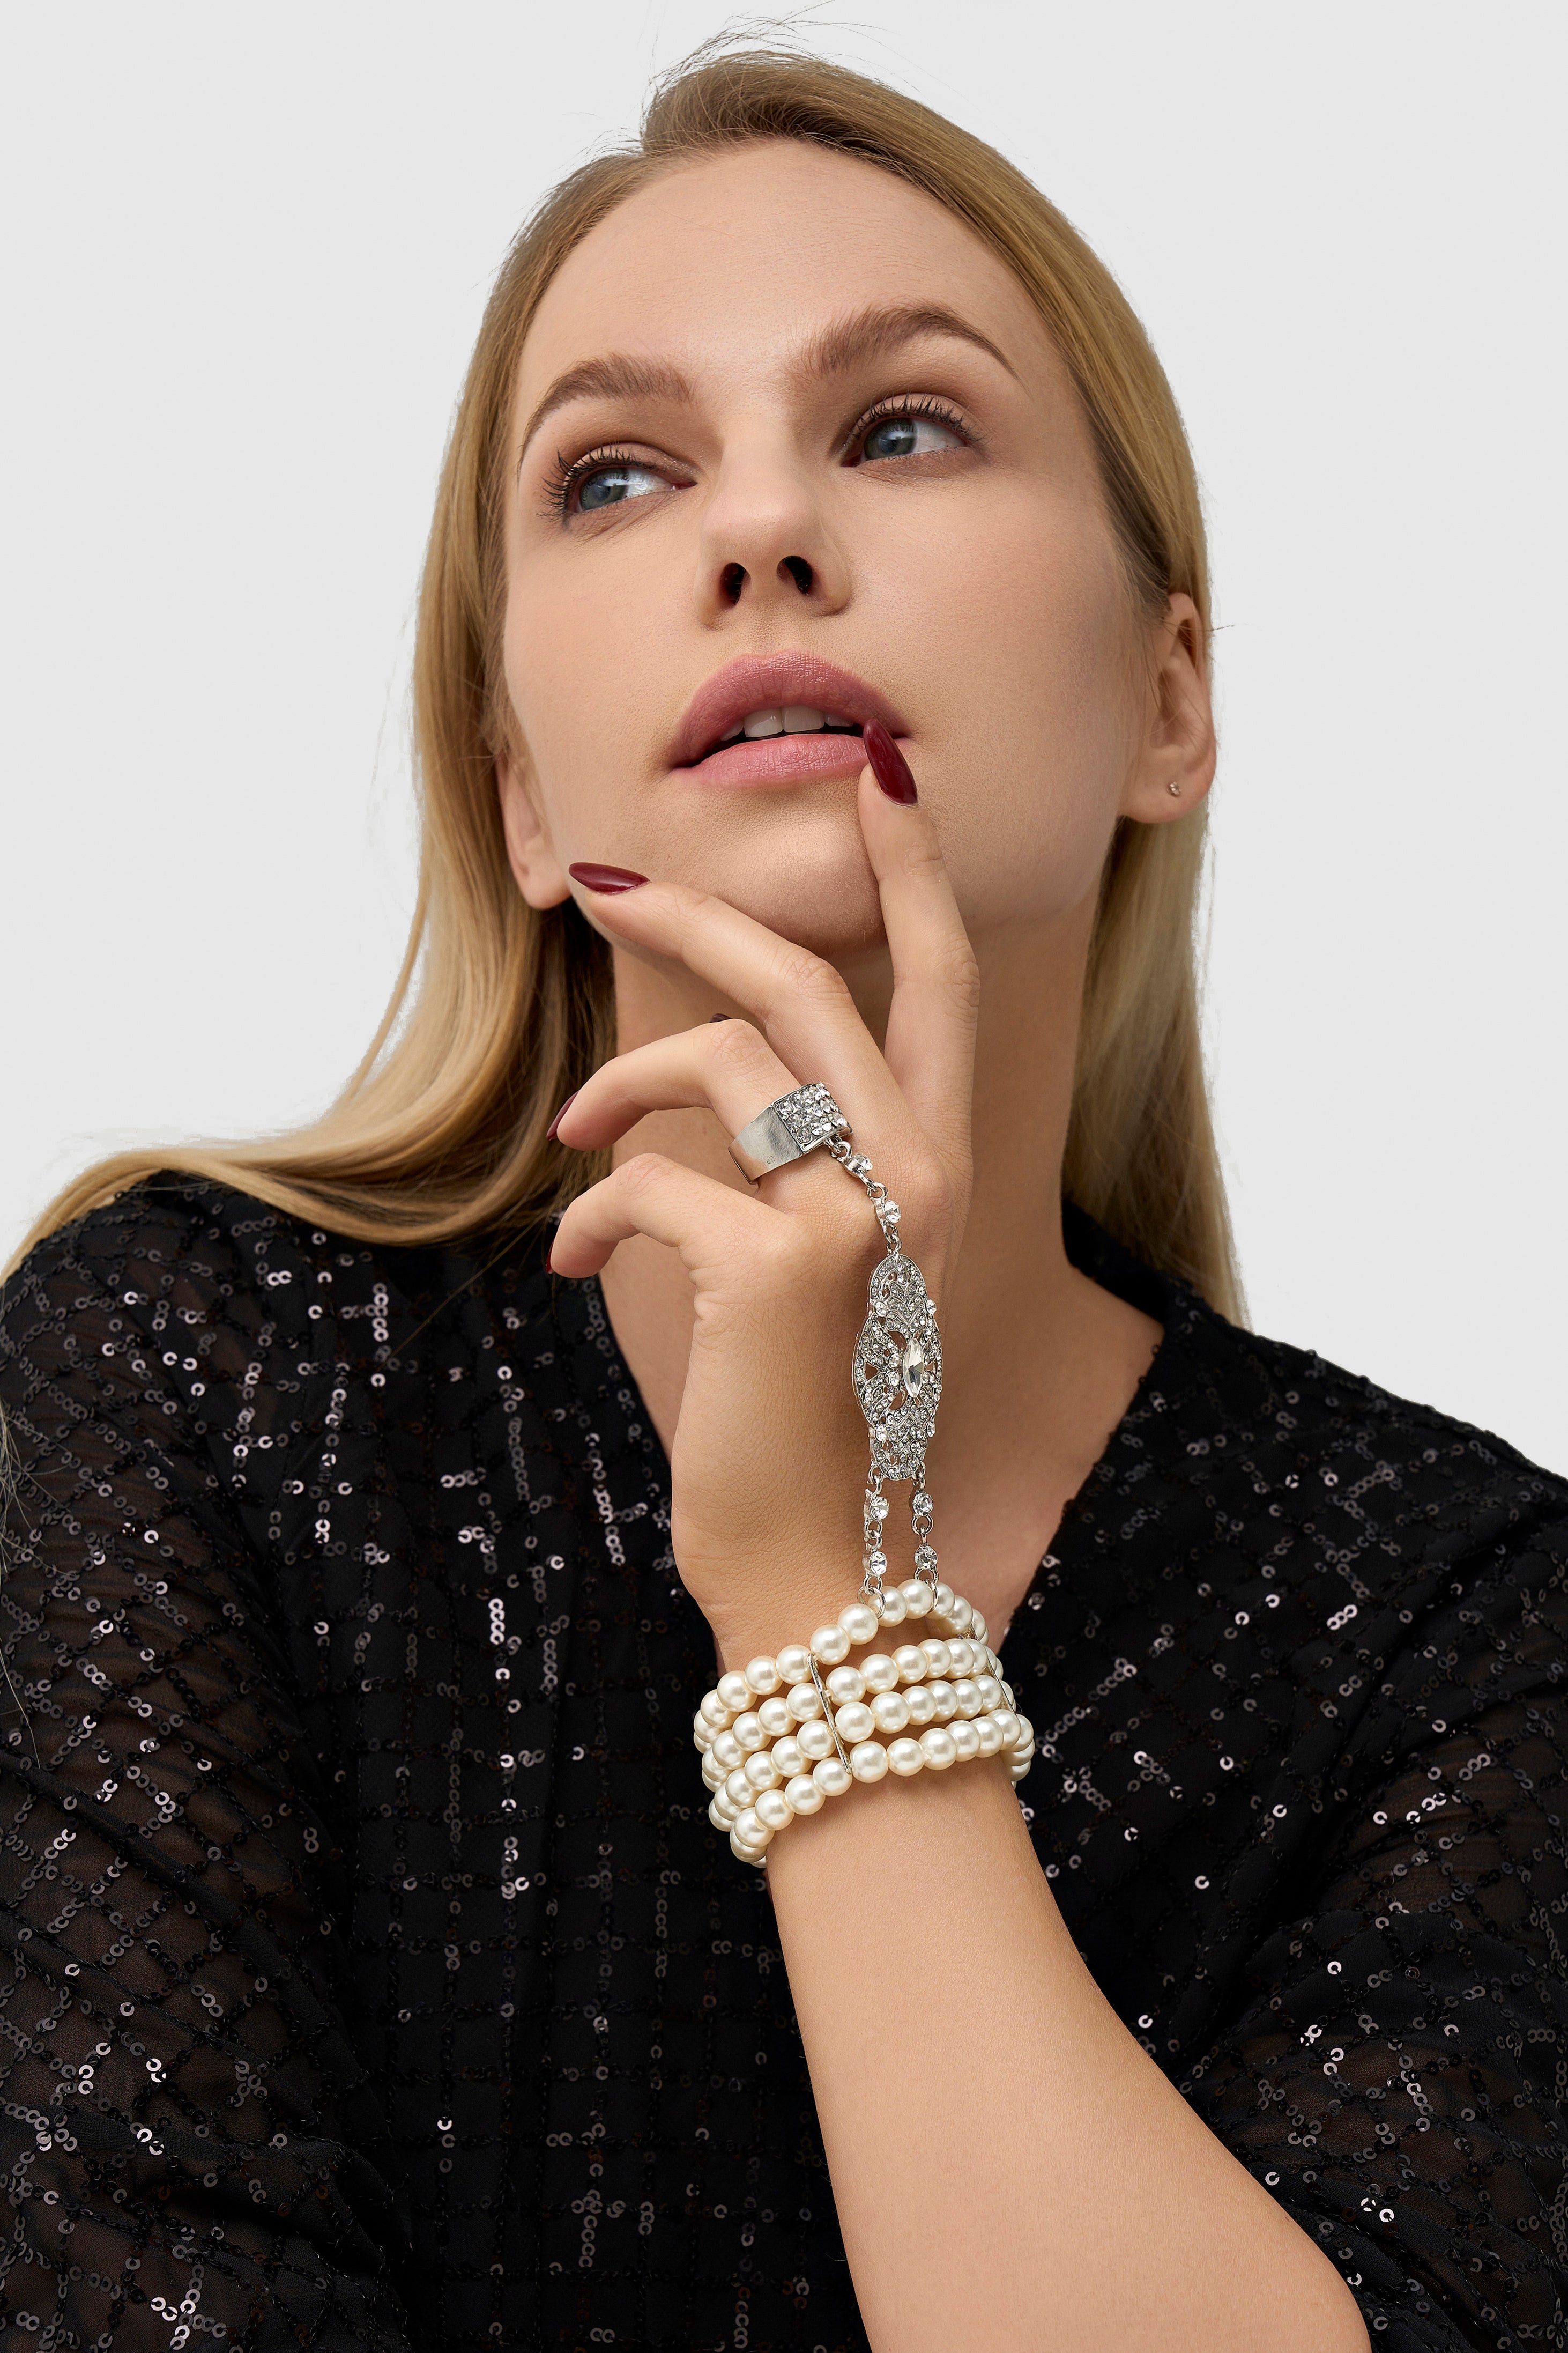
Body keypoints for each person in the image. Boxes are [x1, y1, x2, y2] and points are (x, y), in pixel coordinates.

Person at [1, 45, 1562, 2353]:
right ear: (523, 794)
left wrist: (830, 1589)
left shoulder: (1465, 1626)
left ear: (1169, 696)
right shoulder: (176, 1388)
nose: (760, 533)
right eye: (616, 473)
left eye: (903, 426)